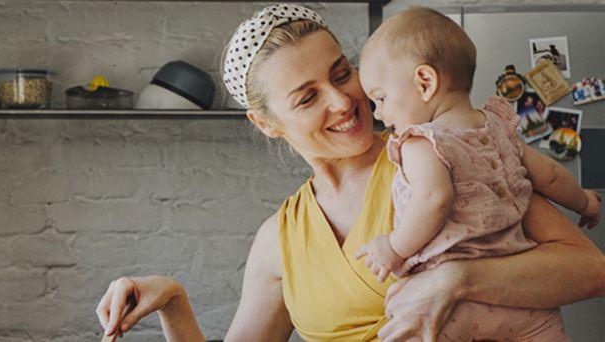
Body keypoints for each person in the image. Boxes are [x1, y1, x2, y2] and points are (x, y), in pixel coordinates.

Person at [95, 4, 605, 342]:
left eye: (342, 73)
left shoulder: (437, 155)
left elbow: (590, 270)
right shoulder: (282, 238)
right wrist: (173, 300)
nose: (343, 101)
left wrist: (459, 278)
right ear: (267, 123)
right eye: (308, 96)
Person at [353, 7, 600, 341]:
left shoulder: (420, 143)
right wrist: (585, 202)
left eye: (380, 98)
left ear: (425, 82)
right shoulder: (500, 129)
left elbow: (434, 199)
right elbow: (551, 176)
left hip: (455, 307)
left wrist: (394, 248)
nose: (380, 113)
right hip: (523, 300)